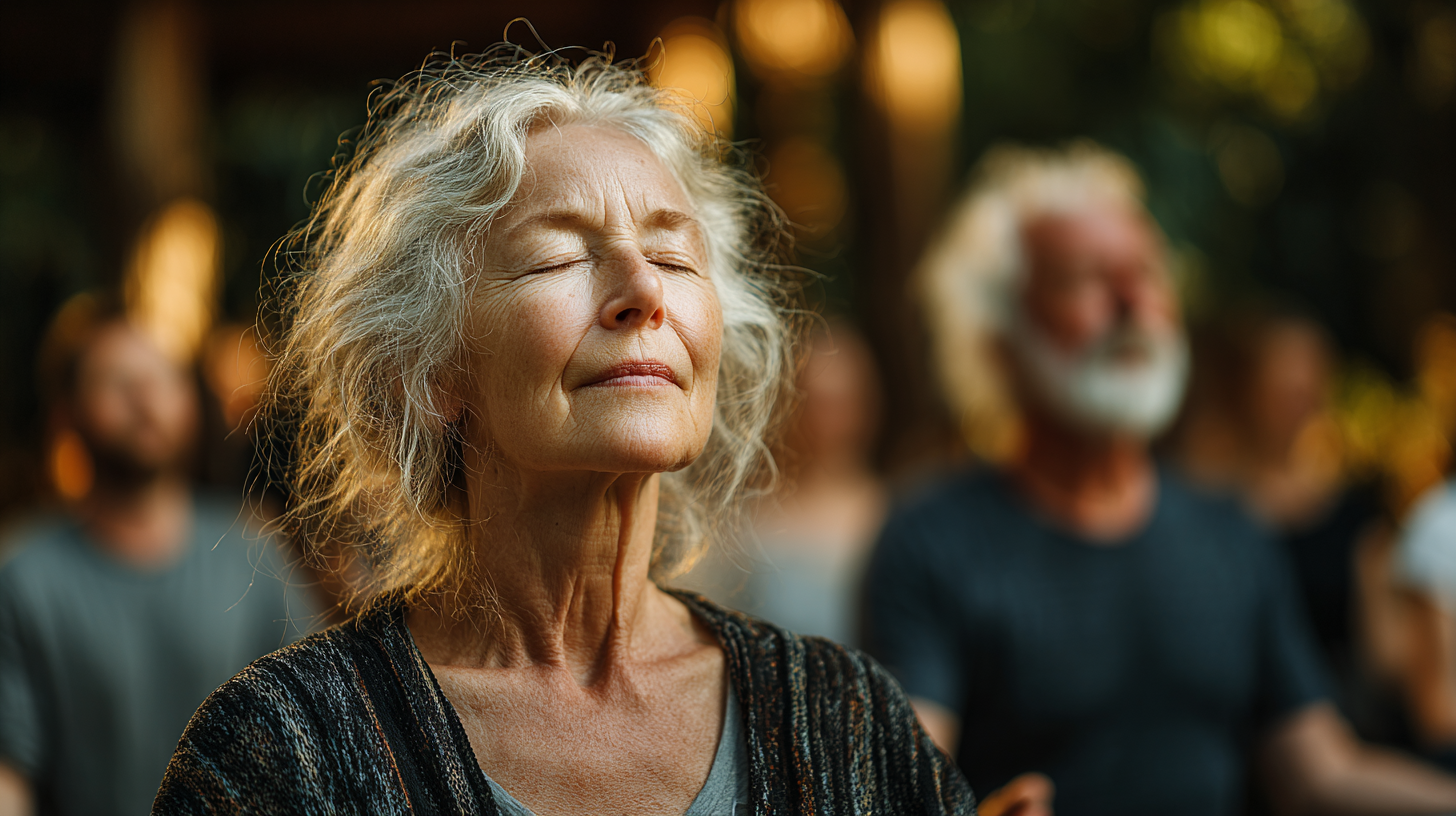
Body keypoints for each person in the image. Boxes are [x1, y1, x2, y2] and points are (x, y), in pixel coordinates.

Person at [151, 49, 973, 815]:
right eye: (558, 259)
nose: (644, 292)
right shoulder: (281, 756)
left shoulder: (850, 724)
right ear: (432, 370)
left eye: (674, 258)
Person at [862, 141, 1456, 816]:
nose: (1131, 302)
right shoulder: (931, 541)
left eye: (1145, 273)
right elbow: (904, 788)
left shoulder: (1231, 535)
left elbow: (1321, 774)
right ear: (999, 341)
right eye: (1084, 280)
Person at [0, 296, 316, 816]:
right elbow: (10, 775)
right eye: (118, 381)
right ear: (66, 414)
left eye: (164, 376)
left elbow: (312, 727)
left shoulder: (251, 553)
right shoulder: (25, 578)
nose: (146, 398)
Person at [677, 320, 887, 645]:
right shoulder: (743, 512)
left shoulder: (889, 512)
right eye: (812, 403)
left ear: (863, 408)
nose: (824, 422)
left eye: (838, 404)